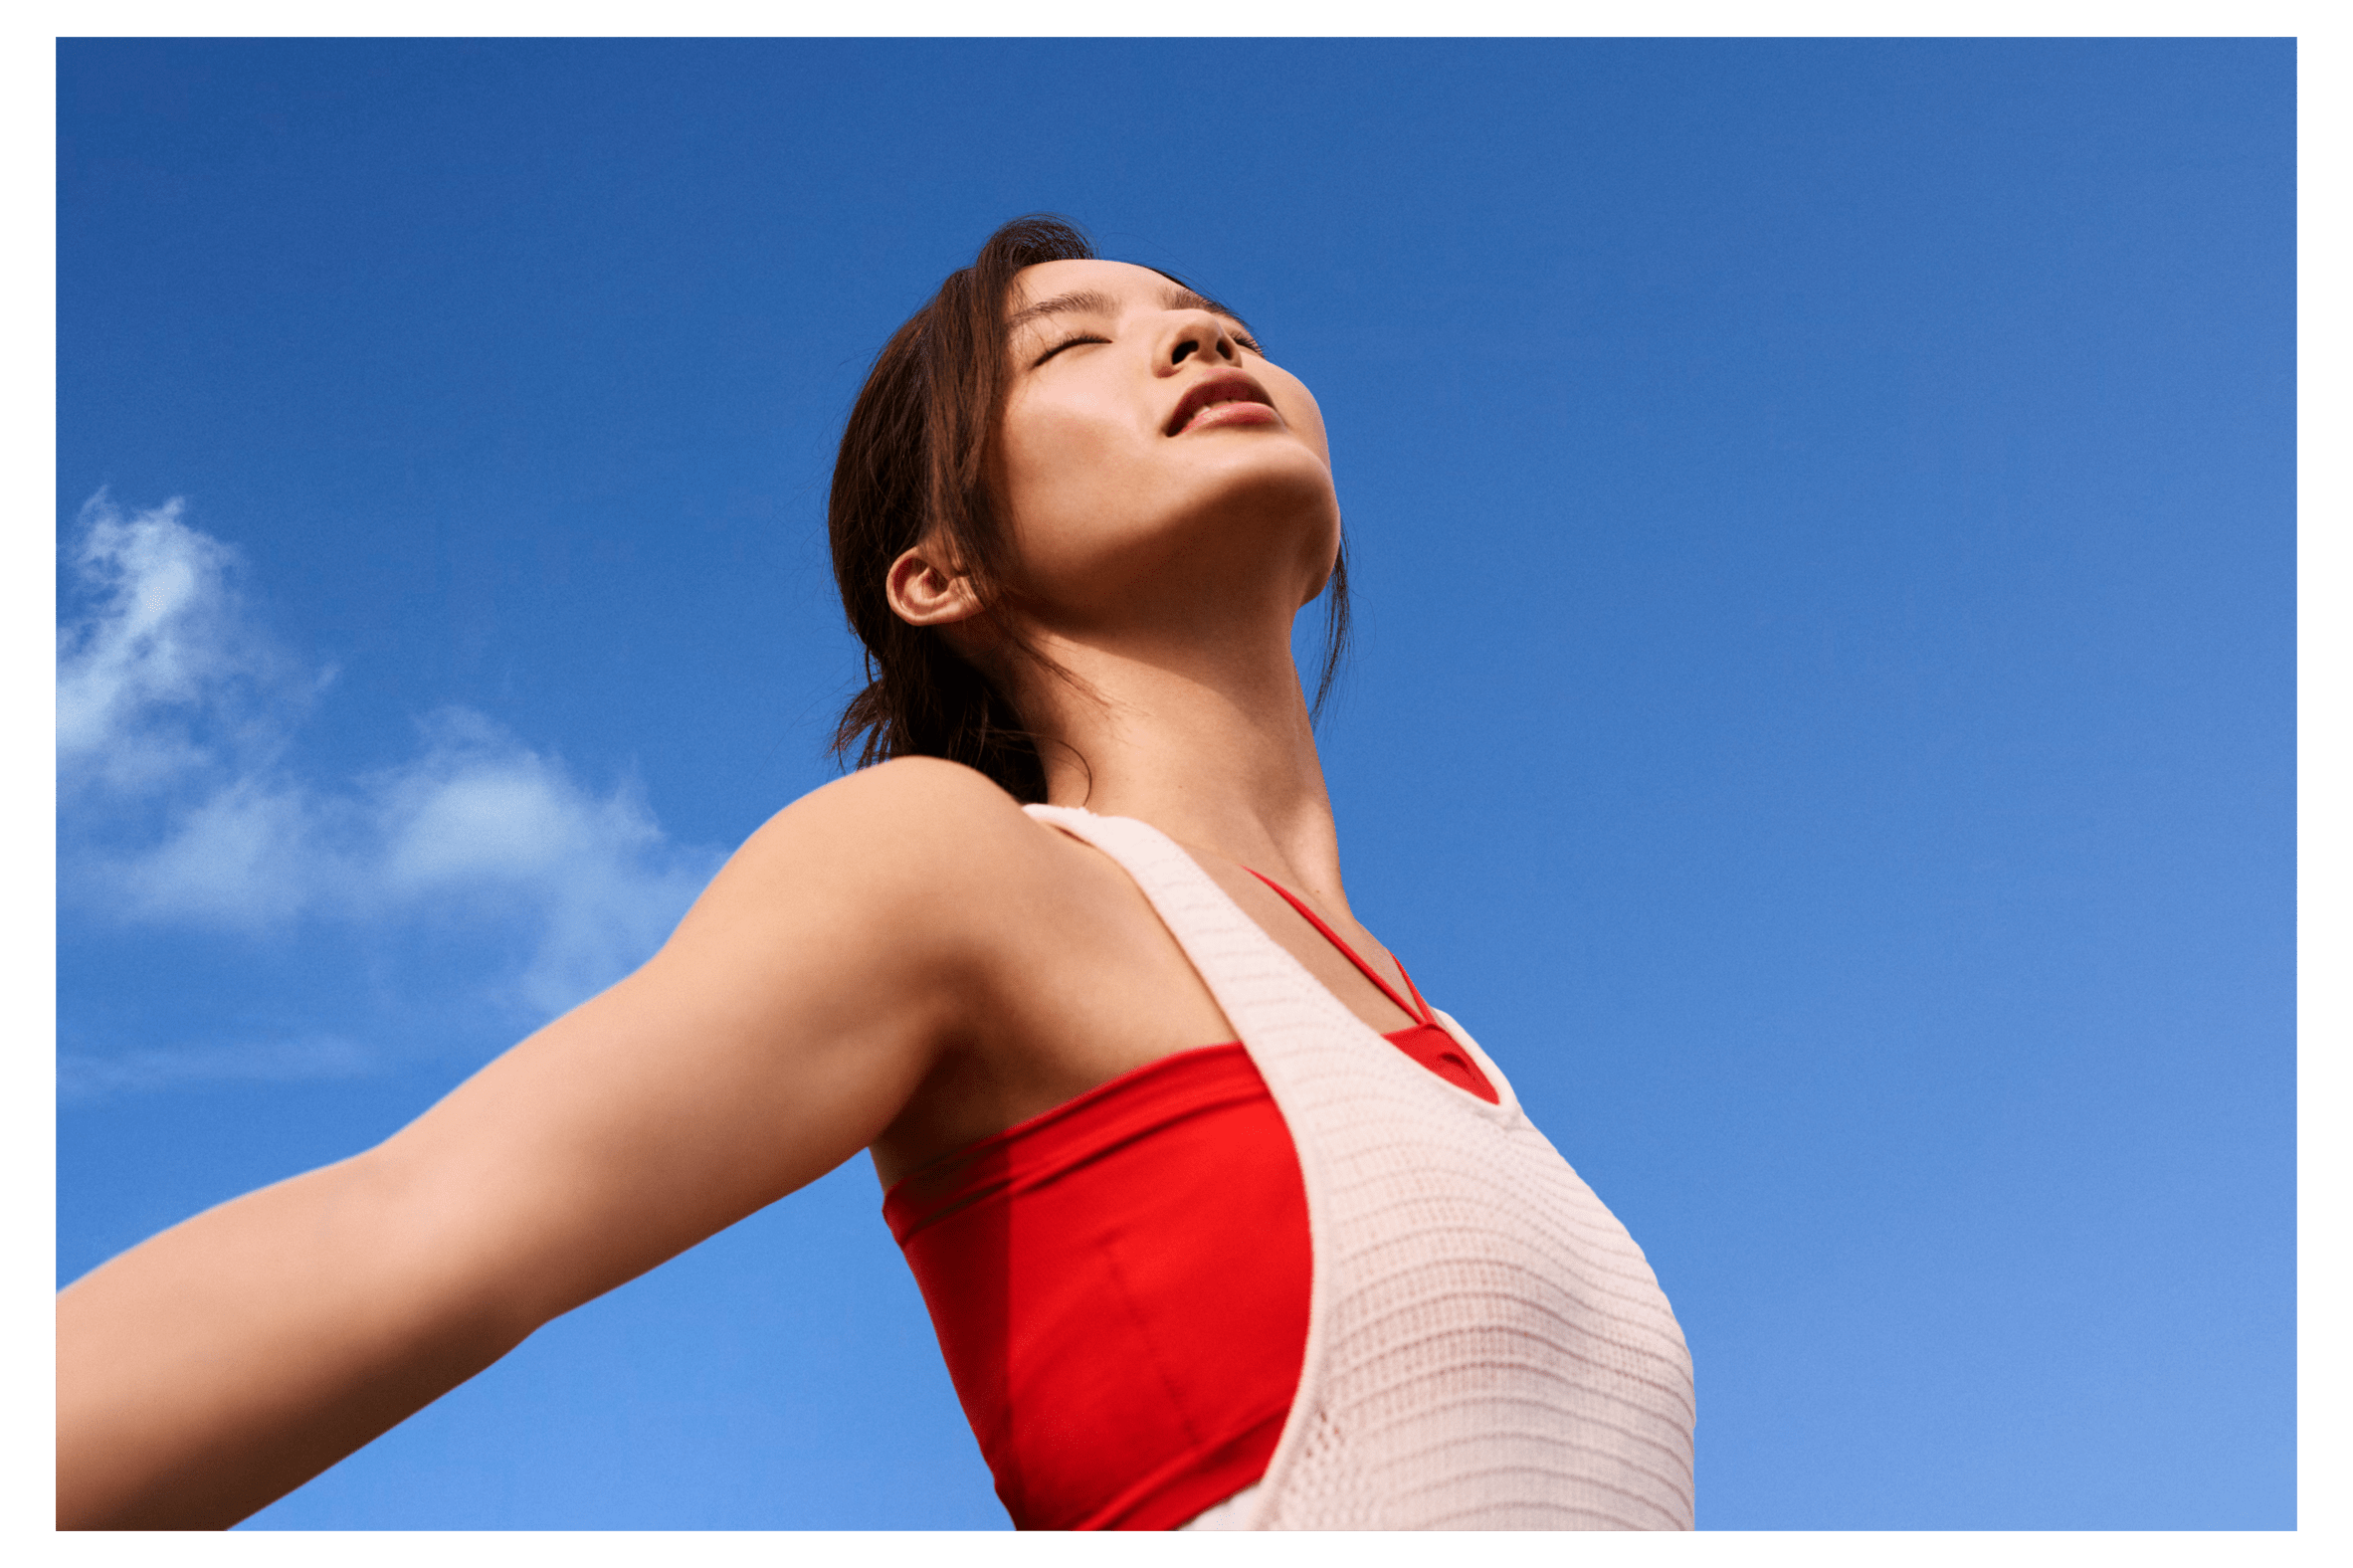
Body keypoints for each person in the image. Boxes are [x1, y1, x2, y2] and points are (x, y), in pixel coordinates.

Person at [55, 216, 1696, 1532]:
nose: (1202, 339)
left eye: (1218, 318)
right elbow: (409, 1235)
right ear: (941, 571)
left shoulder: (1452, 1051)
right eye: (1073, 344)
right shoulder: (951, 868)